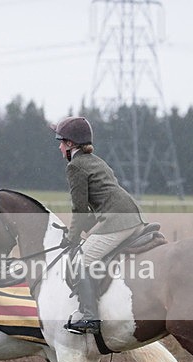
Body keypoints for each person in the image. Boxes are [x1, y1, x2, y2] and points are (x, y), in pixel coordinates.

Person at [51, 116, 144, 335]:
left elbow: (79, 209)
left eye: (61, 142)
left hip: (116, 220)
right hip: (130, 215)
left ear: (71, 144)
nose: (59, 147)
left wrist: (71, 238)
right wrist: (84, 232)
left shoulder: (75, 166)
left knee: (80, 262)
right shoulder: (95, 160)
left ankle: (90, 317)